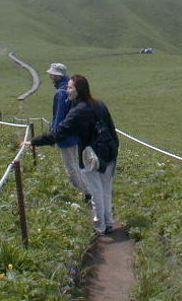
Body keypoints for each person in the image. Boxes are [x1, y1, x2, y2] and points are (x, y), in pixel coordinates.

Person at [29, 74, 119, 235]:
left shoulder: (78, 111)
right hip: (108, 152)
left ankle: (100, 225)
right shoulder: (100, 104)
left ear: (79, 91)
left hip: (91, 156)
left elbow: (58, 133)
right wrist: (113, 149)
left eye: (70, 88)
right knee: (106, 189)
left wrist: (34, 141)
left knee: (96, 191)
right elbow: (112, 129)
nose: (67, 90)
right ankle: (109, 222)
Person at [45, 63, 90, 202]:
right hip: (74, 132)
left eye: (52, 74)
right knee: (75, 164)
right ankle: (88, 190)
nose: (50, 76)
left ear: (58, 76)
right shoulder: (71, 88)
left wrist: (54, 135)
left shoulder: (60, 93)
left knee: (71, 167)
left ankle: (88, 193)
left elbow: (59, 116)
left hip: (65, 135)